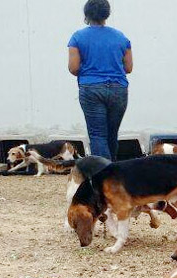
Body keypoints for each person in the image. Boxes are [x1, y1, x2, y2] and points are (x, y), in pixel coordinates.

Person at [67, 0, 132, 161]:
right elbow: (128, 68)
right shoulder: (121, 37)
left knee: (97, 135)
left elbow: (73, 68)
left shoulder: (77, 37)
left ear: (87, 14)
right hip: (119, 89)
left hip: (91, 89)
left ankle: (103, 176)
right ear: (106, 14)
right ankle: (114, 176)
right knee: (112, 134)